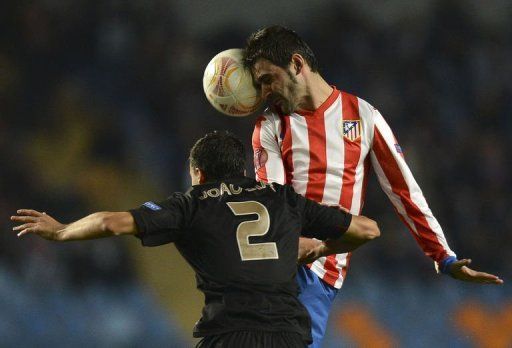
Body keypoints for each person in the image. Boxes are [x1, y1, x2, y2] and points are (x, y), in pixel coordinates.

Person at [244, 25, 503, 348]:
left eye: (268, 79)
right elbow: (272, 200)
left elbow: (404, 191)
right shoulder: (269, 126)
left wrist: (443, 256)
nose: (265, 92)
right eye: (259, 84)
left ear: (297, 64)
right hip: (286, 268)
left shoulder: (363, 116)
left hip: (323, 277)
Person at [11, 131, 381, 348]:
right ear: (241, 169)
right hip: (287, 335)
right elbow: (366, 229)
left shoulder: (192, 204)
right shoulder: (282, 198)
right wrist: (319, 247)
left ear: (198, 173)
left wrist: (61, 231)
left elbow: (111, 222)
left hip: (229, 334)